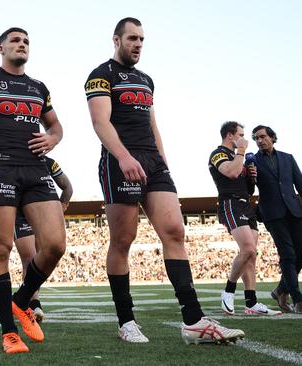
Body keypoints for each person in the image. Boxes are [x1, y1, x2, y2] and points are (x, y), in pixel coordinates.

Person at [85, 17, 244, 344]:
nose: (138, 44)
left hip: (153, 162)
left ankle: (194, 321)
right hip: (120, 161)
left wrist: (165, 166)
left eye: (142, 39)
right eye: (132, 38)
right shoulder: (100, 75)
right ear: (116, 40)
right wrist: (123, 157)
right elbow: (100, 122)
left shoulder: (146, 79)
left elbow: (153, 126)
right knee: (123, 240)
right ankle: (126, 321)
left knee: (175, 230)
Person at [0, 27, 66, 354]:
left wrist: (52, 138)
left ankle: (21, 302)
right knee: (0, 248)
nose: (22, 45)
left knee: (54, 245)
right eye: (16, 41)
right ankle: (9, 332)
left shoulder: (38, 87)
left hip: (36, 171)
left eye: (26, 41)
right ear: (1, 48)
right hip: (2, 169)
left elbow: (57, 126)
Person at [208, 122, 279, 316]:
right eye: (240, 134)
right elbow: (230, 172)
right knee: (248, 248)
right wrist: (241, 150)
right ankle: (228, 291)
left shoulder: (237, 156)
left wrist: (250, 178)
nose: (244, 138)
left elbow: (247, 189)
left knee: (251, 255)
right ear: (230, 136)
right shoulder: (218, 154)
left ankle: (251, 302)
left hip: (246, 204)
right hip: (230, 204)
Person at [13, 156, 72, 323]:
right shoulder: (10, 158)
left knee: (43, 255)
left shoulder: (48, 162)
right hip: (20, 215)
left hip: (39, 212)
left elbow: (67, 187)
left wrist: (62, 206)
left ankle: (30, 300)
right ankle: (32, 303)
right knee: (29, 258)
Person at [251, 125, 302, 313]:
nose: (259, 140)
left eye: (263, 136)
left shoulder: (288, 158)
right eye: (256, 138)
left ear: (272, 137)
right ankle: (297, 299)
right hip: (272, 213)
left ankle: (281, 290)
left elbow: (300, 183)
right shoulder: (252, 161)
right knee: (288, 254)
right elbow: (249, 188)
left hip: (295, 211)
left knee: (300, 254)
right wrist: (250, 177)